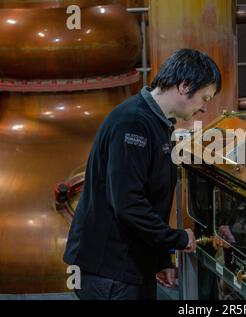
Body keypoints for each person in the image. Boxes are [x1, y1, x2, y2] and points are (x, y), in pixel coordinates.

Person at [63, 48, 222, 300]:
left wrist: (160, 259)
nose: (204, 108)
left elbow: (148, 199)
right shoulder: (134, 123)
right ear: (184, 86)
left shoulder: (156, 122)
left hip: (128, 265)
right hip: (111, 271)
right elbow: (128, 203)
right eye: (205, 97)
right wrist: (176, 239)